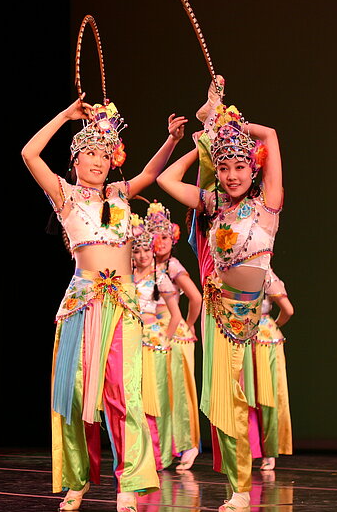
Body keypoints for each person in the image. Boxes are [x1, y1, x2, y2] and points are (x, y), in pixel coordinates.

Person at [21, 93, 188, 511]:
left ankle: (129, 483)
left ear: (112, 160)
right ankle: (76, 482)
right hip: (82, 303)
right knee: (75, 396)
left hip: (125, 307)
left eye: (103, 154)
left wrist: (170, 140)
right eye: (88, 154)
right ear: (75, 162)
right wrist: (65, 114)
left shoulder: (118, 194)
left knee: (124, 392)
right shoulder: (64, 194)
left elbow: (151, 172)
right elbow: (29, 152)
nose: (97, 161)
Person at [155, 76, 283, 512]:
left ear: (254, 169)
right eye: (223, 168)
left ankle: (243, 487)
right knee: (226, 400)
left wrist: (228, 123)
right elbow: (169, 180)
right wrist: (205, 140)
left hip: (254, 316)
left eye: (239, 168)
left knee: (244, 396)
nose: (230, 175)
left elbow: (270, 135)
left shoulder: (268, 203)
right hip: (219, 314)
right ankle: (240, 491)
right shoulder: (213, 206)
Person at [145, 202, 203, 472]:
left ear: (173, 238)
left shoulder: (173, 266)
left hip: (174, 334)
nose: (160, 243)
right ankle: (164, 447)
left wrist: (189, 325)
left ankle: (188, 444)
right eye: (155, 238)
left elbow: (195, 297)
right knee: (160, 394)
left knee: (179, 391)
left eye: (165, 237)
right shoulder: (144, 265)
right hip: (153, 335)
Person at [130, 211, 182, 473]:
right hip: (132, 341)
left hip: (154, 341)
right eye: (136, 251)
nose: (142, 256)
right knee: (135, 400)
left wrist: (165, 339)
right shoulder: (126, 277)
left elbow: (176, 315)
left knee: (157, 400)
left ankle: (160, 458)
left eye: (145, 250)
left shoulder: (159, 277)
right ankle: (139, 454)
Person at [250, 266, 293, 471]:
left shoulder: (266, 273)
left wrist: (271, 325)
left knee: (267, 396)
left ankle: (268, 451)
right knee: (248, 395)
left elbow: (288, 309)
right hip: (246, 337)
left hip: (264, 340)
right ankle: (252, 448)